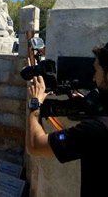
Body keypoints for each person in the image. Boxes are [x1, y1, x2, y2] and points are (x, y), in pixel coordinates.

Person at [27, 43, 108, 197]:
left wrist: (35, 105)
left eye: (97, 70)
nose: (93, 77)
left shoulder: (97, 129)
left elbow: (36, 145)